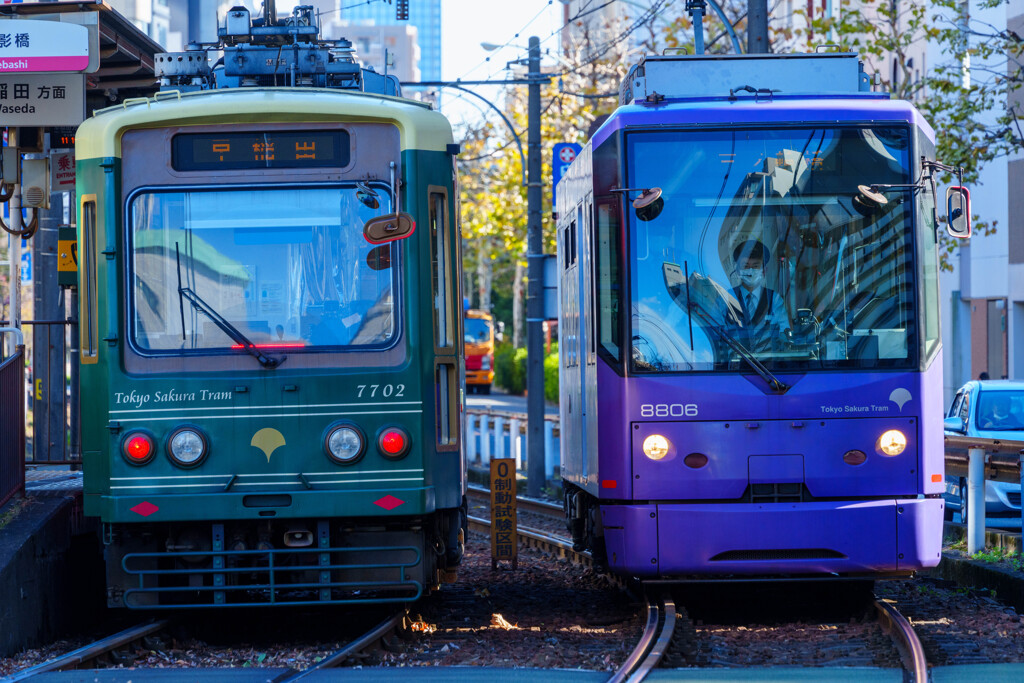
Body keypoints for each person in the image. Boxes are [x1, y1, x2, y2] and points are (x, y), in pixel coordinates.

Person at [726, 239, 791, 353]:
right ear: (737, 271)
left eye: (756, 266)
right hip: (733, 366)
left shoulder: (774, 299)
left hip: (768, 368)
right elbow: (715, 332)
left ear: (764, 271)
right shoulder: (726, 298)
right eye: (745, 265)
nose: (750, 270)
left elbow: (785, 334)